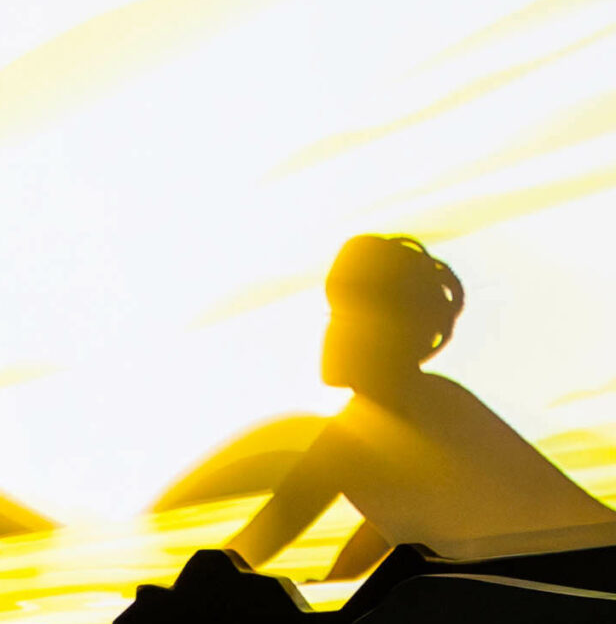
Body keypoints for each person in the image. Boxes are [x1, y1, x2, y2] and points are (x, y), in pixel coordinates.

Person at [225, 233, 615, 576]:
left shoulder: (356, 435)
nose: (331, 332)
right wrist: (335, 581)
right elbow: (399, 522)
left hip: (576, 581)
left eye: (342, 316)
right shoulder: (435, 399)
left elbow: (251, 548)